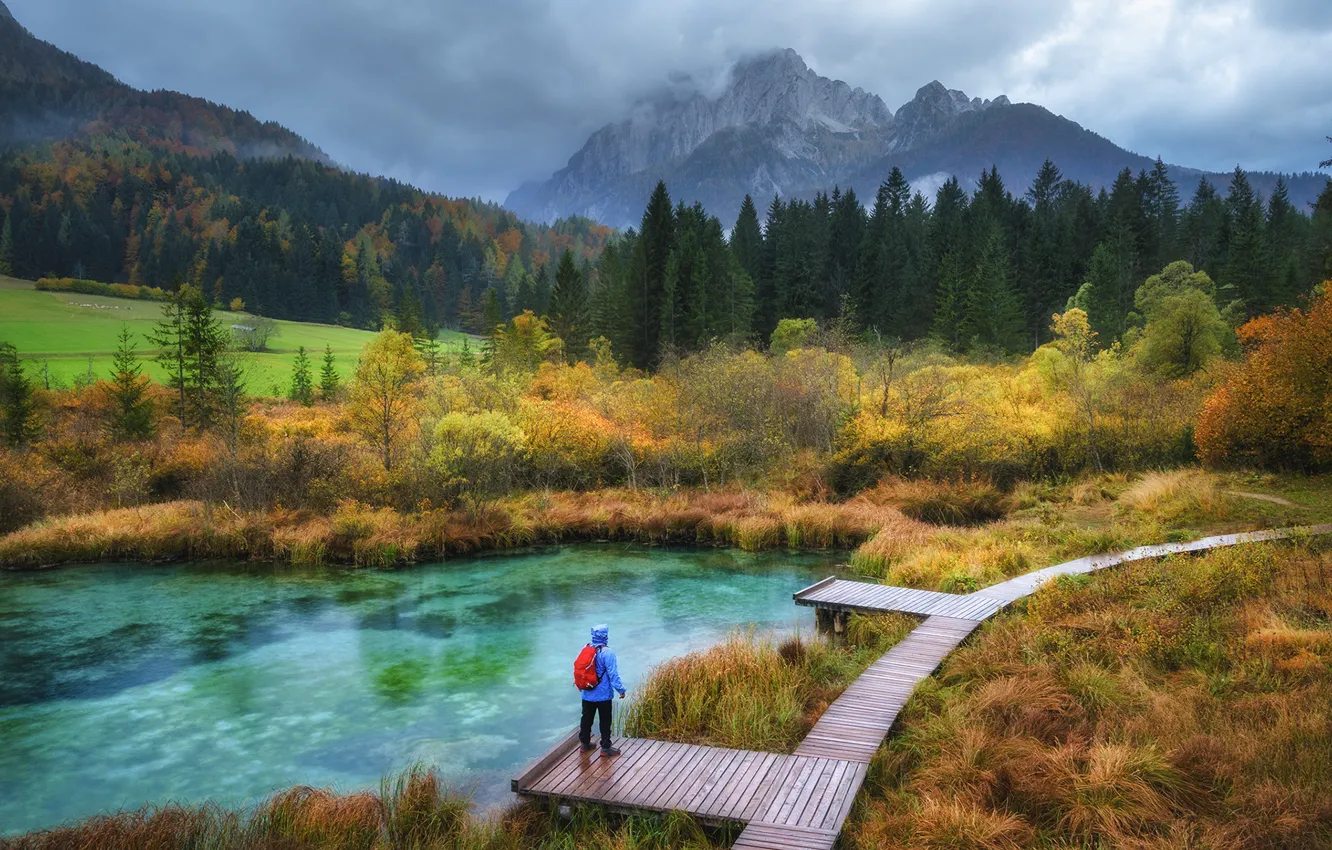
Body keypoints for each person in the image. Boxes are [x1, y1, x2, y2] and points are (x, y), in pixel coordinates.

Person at [578, 624, 626, 756]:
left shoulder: (586, 648)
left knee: (586, 718)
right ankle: (605, 748)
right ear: (605, 636)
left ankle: (584, 744)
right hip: (603, 694)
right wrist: (621, 690)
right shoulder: (607, 652)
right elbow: (613, 674)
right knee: (605, 720)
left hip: (587, 692)